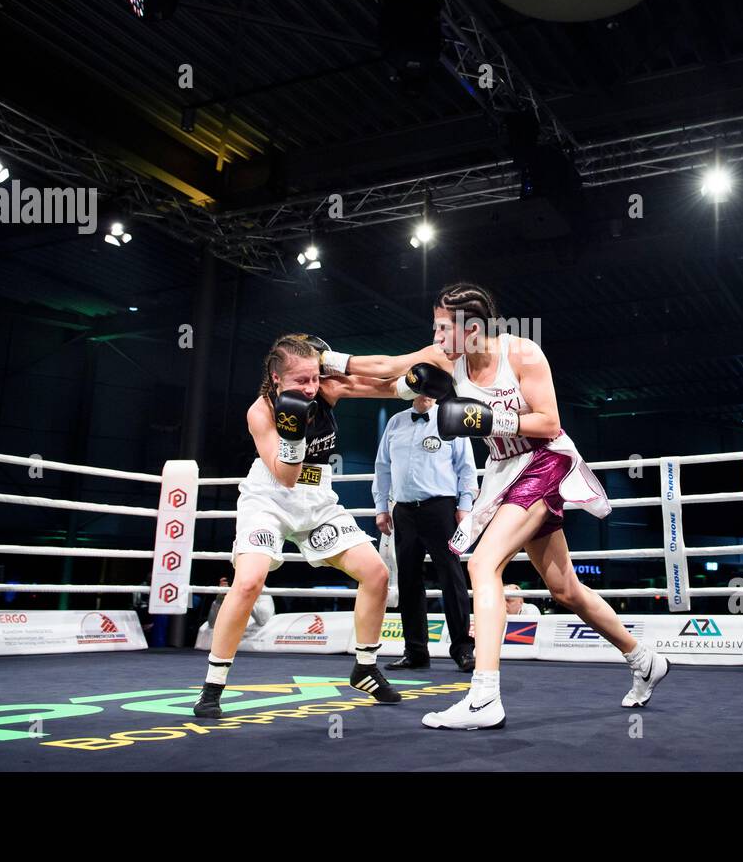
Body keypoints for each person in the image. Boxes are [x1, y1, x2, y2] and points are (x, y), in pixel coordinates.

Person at [330, 282, 670, 730]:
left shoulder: (523, 354)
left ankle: (484, 696)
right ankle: (643, 658)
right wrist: (327, 369)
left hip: (545, 460)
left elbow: (549, 422)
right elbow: (389, 369)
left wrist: (490, 418)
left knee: (483, 565)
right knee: (565, 589)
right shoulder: (447, 360)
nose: (434, 338)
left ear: (471, 328)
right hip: (504, 470)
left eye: (441, 328)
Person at [193, 334, 407, 718]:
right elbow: (286, 477)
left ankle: (365, 667)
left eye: (314, 378)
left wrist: (416, 381)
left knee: (376, 573)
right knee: (247, 582)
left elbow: (385, 381)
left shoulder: (325, 389)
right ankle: (212, 686)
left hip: (317, 499)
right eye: (300, 381)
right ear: (277, 379)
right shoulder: (260, 412)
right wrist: (293, 436)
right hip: (270, 497)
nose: (310, 388)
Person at [373, 393, 478, 671]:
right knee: (408, 581)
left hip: (440, 508)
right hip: (404, 511)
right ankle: (415, 651)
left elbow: (466, 468)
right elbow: (382, 467)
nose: (427, 393)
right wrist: (381, 507)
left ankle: (463, 650)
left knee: (452, 578)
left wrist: (465, 505)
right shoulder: (395, 422)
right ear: (412, 390)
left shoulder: (452, 419)